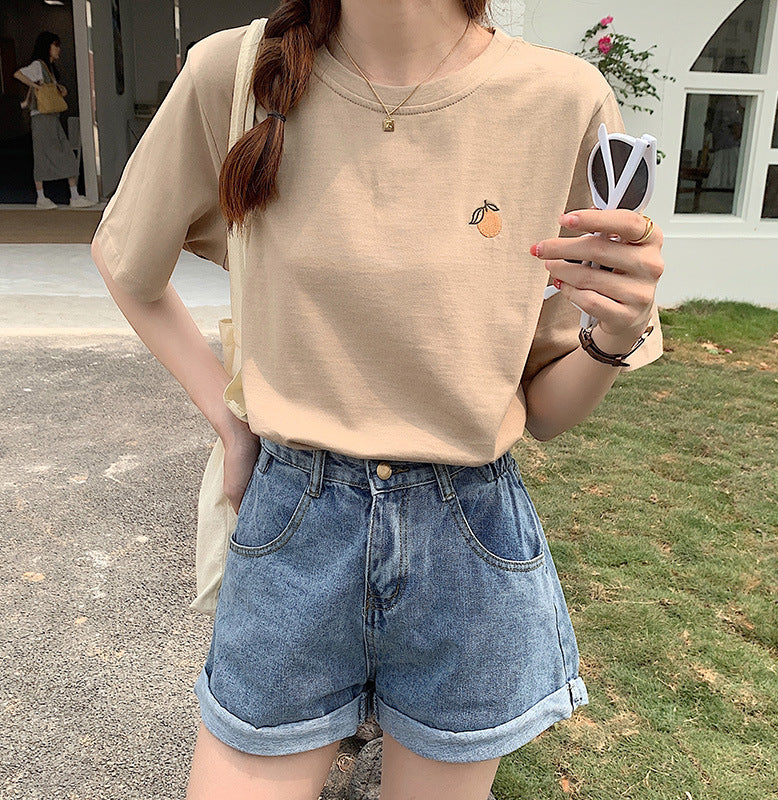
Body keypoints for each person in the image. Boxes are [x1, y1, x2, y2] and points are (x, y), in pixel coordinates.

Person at [90, 1, 666, 798]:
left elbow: (551, 409)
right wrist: (230, 423)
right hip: (295, 522)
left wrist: (615, 330)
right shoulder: (235, 71)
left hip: (467, 540)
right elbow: (127, 259)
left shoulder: (564, 100)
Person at [13, 31, 94, 209]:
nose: (58, 49)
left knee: (63, 151)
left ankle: (71, 195)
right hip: (41, 118)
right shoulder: (38, 65)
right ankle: (43, 197)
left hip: (50, 116)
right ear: (47, 46)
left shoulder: (48, 69)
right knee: (44, 154)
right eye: (55, 45)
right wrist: (35, 86)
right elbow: (18, 74)